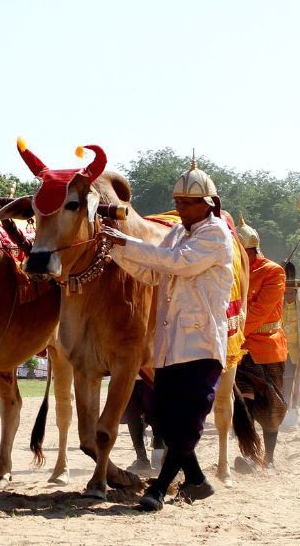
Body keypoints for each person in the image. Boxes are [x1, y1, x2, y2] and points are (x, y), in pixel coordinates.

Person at [102, 157, 233, 511]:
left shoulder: (216, 234)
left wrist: (123, 242)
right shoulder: (176, 234)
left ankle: (158, 489)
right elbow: (153, 272)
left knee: (186, 420)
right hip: (170, 344)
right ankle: (198, 482)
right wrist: (112, 248)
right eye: (177, 201)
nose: (180, 207)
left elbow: (177, 263)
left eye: (187, 202)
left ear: (207, 203)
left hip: (200, 342)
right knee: (164, 416)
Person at [233, 216, 287, 471]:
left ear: (252, 250)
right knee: (243, 401)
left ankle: (270, 457)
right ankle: (249, 455)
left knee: (271, 407)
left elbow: (260, 310)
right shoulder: (229, 271)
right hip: (238, 348)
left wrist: (229, 328)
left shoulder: (273, 271)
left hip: (267, 347)